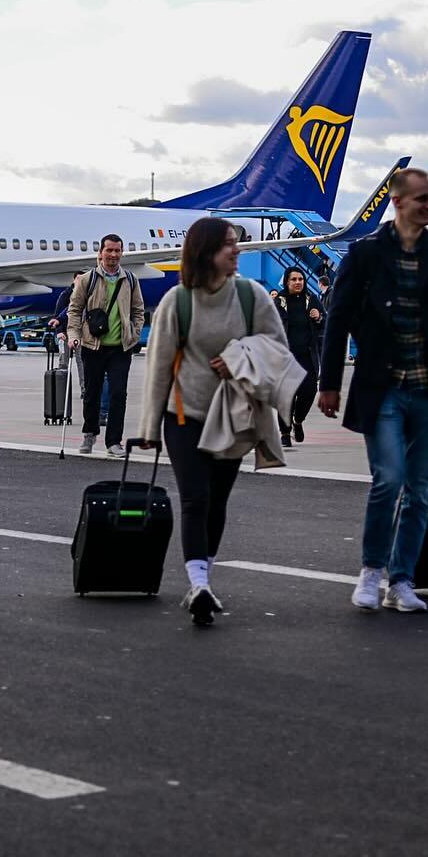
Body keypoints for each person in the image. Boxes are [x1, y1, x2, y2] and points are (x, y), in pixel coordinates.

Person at [317, 167, 428, 614]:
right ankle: (371, 571)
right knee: (388, 479)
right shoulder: (367, 253)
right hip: (384, 387)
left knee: (418, 488)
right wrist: (329, 383)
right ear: (398, 203)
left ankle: (403, 579)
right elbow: (337, 320)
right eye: (421, 199)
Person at [138, 218, 288, 625]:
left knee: (218, 501)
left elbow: (278, 348)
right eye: (227, 245)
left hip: (234, 414)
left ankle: (205, 574)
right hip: (184, 415)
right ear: (205, 251)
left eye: (235, 244)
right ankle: (198, 582)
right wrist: (149, 428)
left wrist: (240, 357)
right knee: (195, 498)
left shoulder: (251, 296)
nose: (236, 250)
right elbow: (159, 367)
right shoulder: (177, 301)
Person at [67, 234, 146, 456]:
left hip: (120, 347)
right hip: (93, 346)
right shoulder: (86, 280)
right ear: (100, 253)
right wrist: (74, 334)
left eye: (117, 251)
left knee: (119, 393)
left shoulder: (130, 279)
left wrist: (134, 333)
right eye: (109, 250)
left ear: (122, 253)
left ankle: (114, 441)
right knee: (91, 393)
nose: (113, 255)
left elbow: (139, 310)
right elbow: (74, 310)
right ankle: (89, 433)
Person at [274, 267, 326, 447]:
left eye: (301, 279)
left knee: (309, 392)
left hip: (307, 356)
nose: (298, 282)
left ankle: (298, 420)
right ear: (287, 281)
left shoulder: (312, 300)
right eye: (293, 279)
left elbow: (325, 324)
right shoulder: (278, 302)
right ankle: (285, 433)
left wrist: (319, 317)